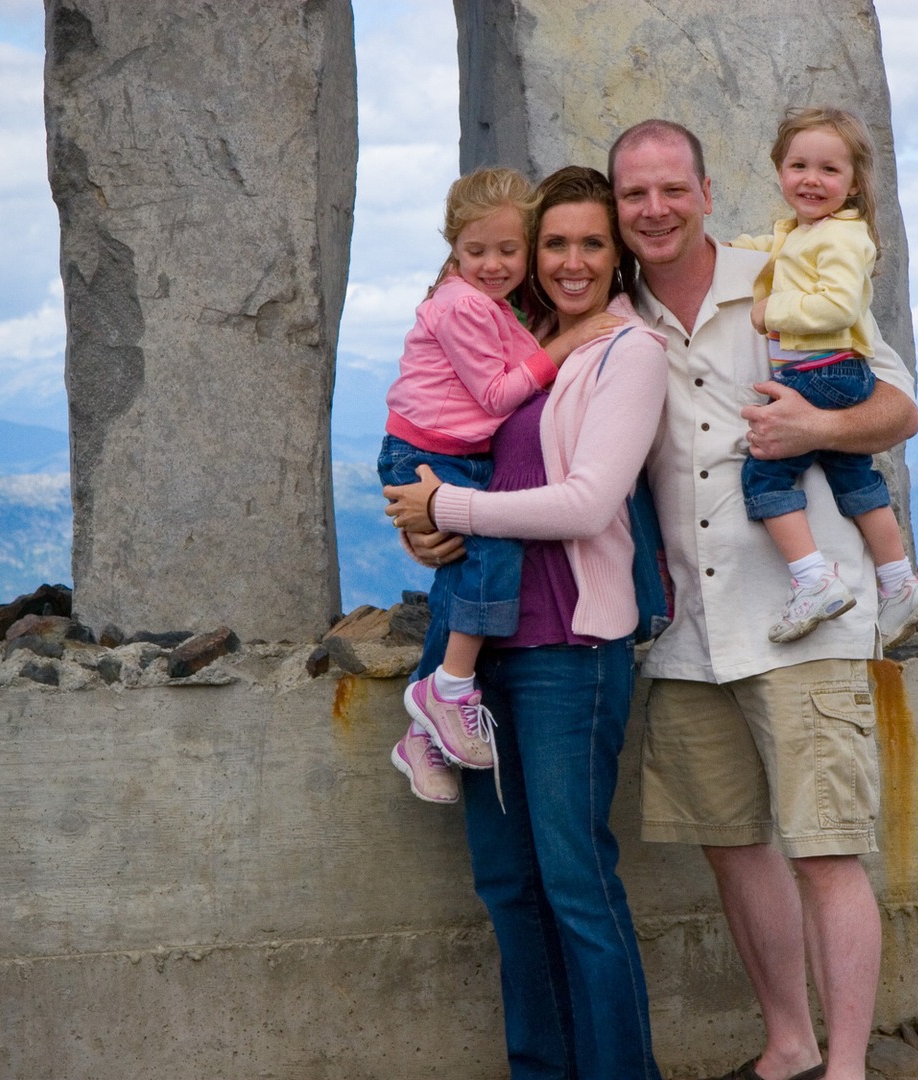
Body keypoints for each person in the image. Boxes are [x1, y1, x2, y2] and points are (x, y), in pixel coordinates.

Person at [608, 118, 918, 1080]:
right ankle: (788, 1046)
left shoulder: (780, 276)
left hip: (803, 611)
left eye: (672, 189)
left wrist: (820, 423)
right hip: (681, 626)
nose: (653, 210)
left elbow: (900, 407)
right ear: (619, 211)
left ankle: (849, 1068)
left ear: (707, 192)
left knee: (826, 849)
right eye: (633, 196)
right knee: (733, 845)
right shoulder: (612, 317)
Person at [384, 165, 668, 1080]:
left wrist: (449, 512)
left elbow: (586, 505)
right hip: (477, 643)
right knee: (507, 887)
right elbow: (453, 464)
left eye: (593, 243)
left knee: (577, 883)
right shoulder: (510, 330)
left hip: (568, 648)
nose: (573, 261)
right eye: (557, 243)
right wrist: (427, 526)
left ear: (618, 253)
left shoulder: (629, 351)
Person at [377, 166, 619, 803]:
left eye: (509, 250)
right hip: (434, 457)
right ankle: (447, 689)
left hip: (448, 461)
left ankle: (424, 734)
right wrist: (567, 343)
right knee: (490, 556)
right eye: (476, 251)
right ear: (453, 246)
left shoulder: (499, 308)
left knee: (471, 569)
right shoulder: (465, 305)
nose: (493, 263)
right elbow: (496, 392)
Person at [732, 106, 918, 647]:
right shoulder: (800, 233)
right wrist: (724, 253)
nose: (811, 179)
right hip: (836, 374)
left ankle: (813, 580)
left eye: (829, 170)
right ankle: (899, 584)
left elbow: (838, 304)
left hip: (821, 370)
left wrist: (768, 311)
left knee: (765, 473)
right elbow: (770, 251)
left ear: (853, 185)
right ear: (780, 170)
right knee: (854, 477)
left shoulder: (841, 239)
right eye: (799, 165)